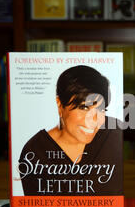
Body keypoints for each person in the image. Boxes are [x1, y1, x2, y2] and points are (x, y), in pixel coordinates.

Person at [18, 65, 123, 196]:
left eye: (101, 109)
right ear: (59, 104)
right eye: (84, 107)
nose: (94, 120)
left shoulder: (114, 133)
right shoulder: (35, 152)